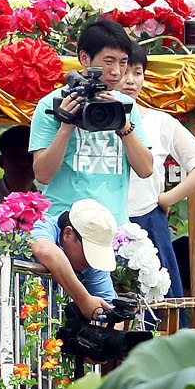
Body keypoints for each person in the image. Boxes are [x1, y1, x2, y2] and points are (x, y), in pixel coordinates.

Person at [29, 19, 153, 320]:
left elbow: (146, 168)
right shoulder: (52, 104)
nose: (116, 71)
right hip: (67, 232)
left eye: (123, 63)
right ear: (84, 59)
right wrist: (65, 125)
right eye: (108, 61)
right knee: (56, 323)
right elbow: (41, 175)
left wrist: (124, 126)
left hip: (114, 232)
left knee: (114, 321)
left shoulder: (126, 105)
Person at [120, 48, 195, 310]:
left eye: (137, 73)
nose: (130, 80)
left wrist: (166, 198)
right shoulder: (91, 120)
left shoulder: (160, 122)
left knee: (160, 307)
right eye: (124, 72)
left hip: (148, 221)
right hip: (105, 221)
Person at [0, 126, 37, 211]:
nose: (24, 163)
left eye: (30, 157)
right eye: (17, 157)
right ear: (1, 161)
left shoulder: (47, 198)